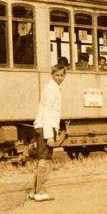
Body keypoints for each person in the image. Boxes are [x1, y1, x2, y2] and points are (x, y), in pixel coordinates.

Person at [30, 64, 67, 202]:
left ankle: (34, 191)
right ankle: (39, 191)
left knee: (41, 160)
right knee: (43, 160)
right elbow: (47, 112)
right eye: (57, 75)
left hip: (46, 126)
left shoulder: (54, 88)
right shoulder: (51, 90)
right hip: (46, 127)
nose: (59, 78)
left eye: (62, 75)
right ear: (52, 75)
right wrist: (50, 135)